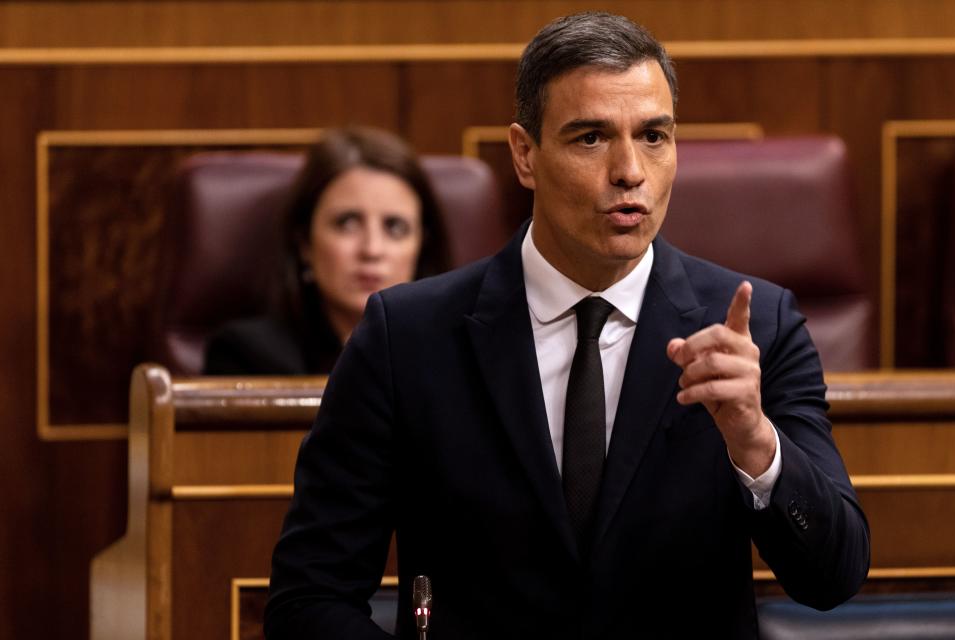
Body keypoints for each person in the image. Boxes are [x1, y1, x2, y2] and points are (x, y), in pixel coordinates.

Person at [264, 12, 870, 639]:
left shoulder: (757, 325)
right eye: (591, 138)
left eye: (654, 137)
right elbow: (309, 597)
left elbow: (834, 577)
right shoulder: (406, 337)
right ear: (525, 154)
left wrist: (757, 445)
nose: (630, 170)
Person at [203, 126, 450, 375]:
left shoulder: (456, 353)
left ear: (422, 245)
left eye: (395, 228)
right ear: (304, 244)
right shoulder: (247, 356)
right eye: (348, 223)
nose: (372, 250)